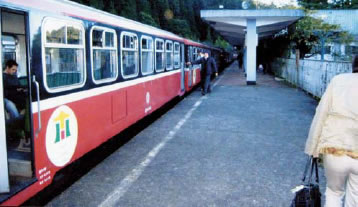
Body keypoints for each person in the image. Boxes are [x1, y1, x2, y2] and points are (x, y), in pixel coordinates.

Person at [304, 56, 358, 207]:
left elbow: (321, 114)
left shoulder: (338, 80)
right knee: (355, 196)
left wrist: (312, 148)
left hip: (334, 148)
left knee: (334, 193)